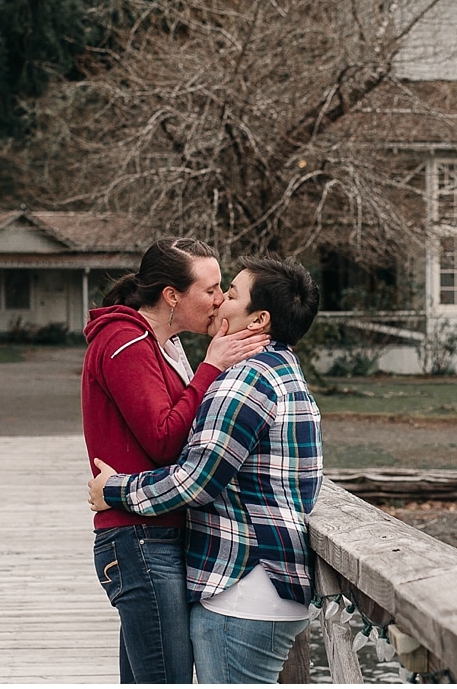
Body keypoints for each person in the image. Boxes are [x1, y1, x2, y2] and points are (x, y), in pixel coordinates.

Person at [89, 256, 324, 687]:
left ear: (259, 319)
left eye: (230, 294)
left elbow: (196, 480)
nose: (219, 303)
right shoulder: (285, 370)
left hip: (244, 589)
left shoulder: (245, 381)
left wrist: (116, 489)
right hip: (270, 585)